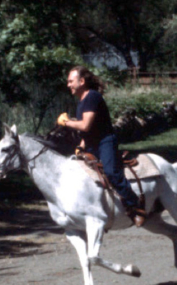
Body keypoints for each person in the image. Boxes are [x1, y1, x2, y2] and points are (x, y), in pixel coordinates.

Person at [58, 65, 146, 227]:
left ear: (82, 81)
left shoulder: (92, 97)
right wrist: (81, 146)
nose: (68, 85)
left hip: (105, 142)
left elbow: (85, 126)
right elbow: (88, 132)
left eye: (71, 81)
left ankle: (136, 206)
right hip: (92, 144)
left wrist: (66, 122)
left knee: (112, 173)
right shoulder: (81, 102)